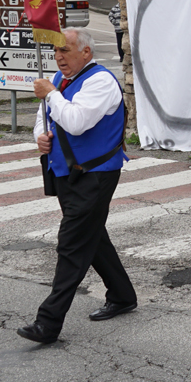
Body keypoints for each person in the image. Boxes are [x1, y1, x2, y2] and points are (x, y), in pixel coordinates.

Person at [17, 28, 136, 344]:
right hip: (66, 172)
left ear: (86, 52)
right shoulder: (58, 81)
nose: (58, 57)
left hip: (96, 174)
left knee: (72, 243)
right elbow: (44, 118)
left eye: (65, 50)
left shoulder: (100, 81)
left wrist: (51, 94)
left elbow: (76, 121)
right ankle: (123, 295)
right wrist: (40, 136)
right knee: (91, 236)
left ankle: (48, 323)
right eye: (56, 51)